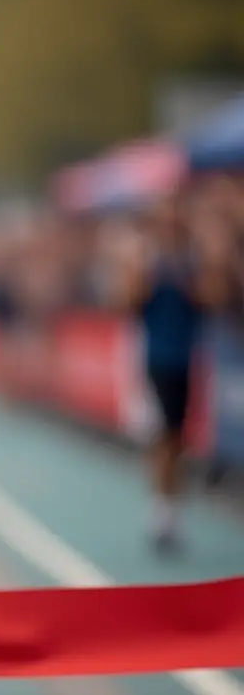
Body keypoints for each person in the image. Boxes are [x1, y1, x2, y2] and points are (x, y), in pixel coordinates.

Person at [119, 192, 228, 550]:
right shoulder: (147, 256)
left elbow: (213, 299)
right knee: (166, 432)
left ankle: (170, 505)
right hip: (157, 356)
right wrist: (145, 272)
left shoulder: (194, 257)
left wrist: (205, 266)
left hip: (189, 357)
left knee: (179, 435)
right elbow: (127, 301)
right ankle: (162, 509)